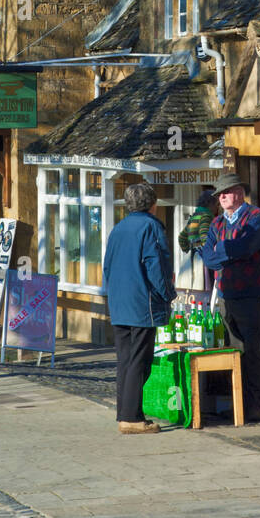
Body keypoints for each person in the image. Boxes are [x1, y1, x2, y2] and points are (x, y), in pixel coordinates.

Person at [103, 181, 176, 434]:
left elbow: (107, 267)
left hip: (119, 302)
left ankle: (125, 413)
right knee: (139, 361)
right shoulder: (151, 226)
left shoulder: (118, 228)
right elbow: (156, 266)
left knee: (125, 360)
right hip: (141, 303)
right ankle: (132, 418)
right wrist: (168, 294)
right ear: (153, 204)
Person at [201, 172, 260, 422]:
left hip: (251, 293)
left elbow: (246, 247)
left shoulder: (256, 217)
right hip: (226, 294)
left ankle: (255, 406)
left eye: (226, 192)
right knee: (232, 351)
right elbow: (208, 257)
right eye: (219, 194)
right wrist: (225, 251)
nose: (221, 197)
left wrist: (223, 250)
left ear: (239, 193)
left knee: (252, 352)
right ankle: (236, 404)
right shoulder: (217, 223)